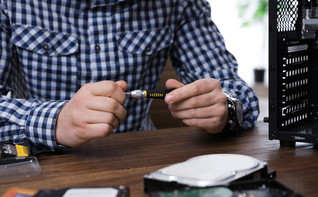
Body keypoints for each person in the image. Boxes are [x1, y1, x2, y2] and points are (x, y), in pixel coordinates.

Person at [0, 0, 259, 152]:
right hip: (37, 163)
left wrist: (225, 107)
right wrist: (55, 121)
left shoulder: (179, 3)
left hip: (139, 161)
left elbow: (234, 90)